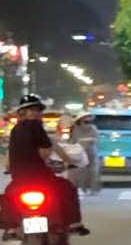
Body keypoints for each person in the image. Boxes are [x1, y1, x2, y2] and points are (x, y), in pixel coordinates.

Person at [4, 94, 88, 232]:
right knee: (68, 188)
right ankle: (74, 224)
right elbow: (44, 153)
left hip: (19, 179)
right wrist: (56, 161)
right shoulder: (36, 127)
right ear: (23, 112)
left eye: (37, 110)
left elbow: (8, 160)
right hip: (40, 177)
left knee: (9, 194)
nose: (35, 113)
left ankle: (11, 229)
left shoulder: (15, 130)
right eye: (32, 110)